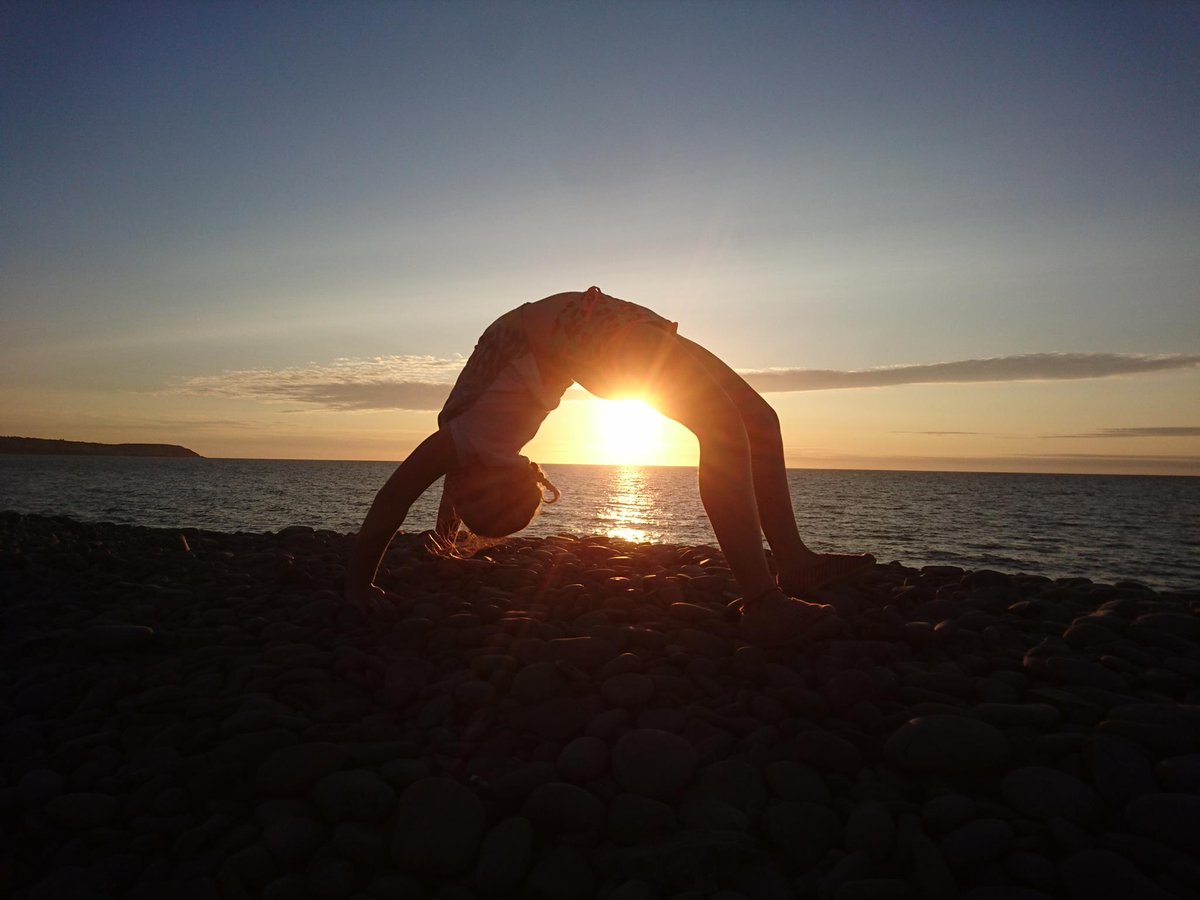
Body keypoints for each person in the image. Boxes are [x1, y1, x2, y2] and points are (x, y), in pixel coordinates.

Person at [345, 286, 874, 644]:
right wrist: (450, 539)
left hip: (578, 329)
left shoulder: (472, 443)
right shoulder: (476, 448)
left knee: (757, 420)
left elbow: (398, 493)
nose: (534, 482)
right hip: (583, 330)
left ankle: (791, 560)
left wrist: (359, 584)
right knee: (724, 426)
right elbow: (446, 487)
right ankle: (762, 599)